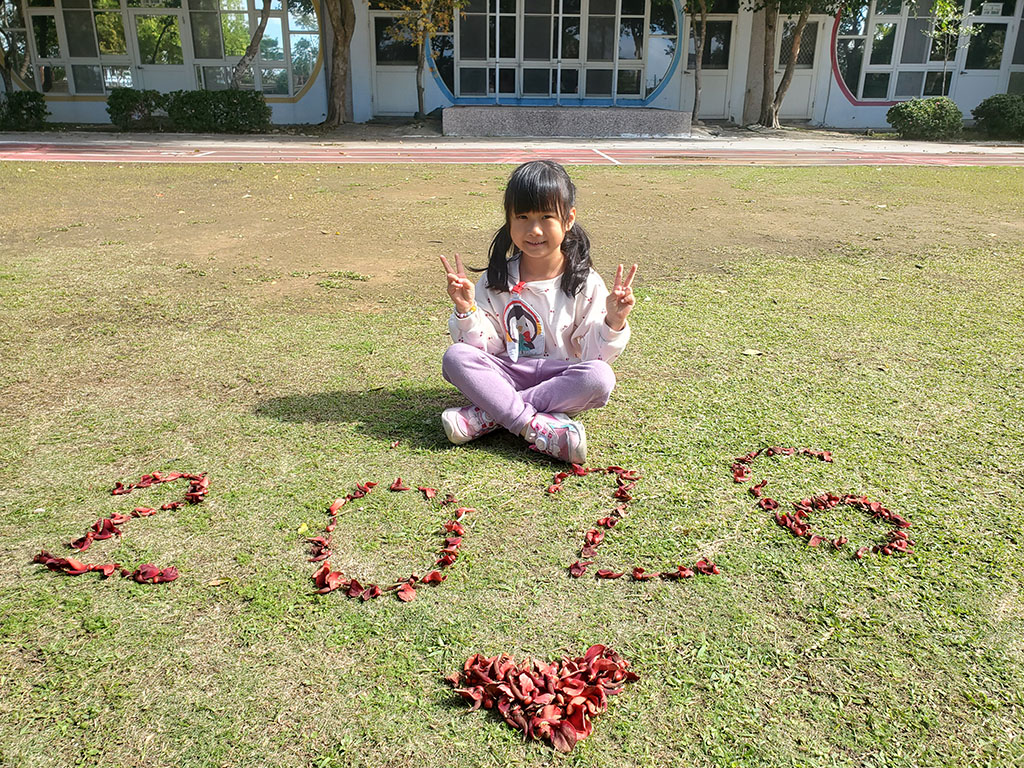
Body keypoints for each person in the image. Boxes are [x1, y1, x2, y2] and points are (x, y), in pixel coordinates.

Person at [439, 159, 637, 464]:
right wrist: (466, 310)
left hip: (561, 379)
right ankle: (532, 427)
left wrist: (614, 321)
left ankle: (490, 415)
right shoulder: (495, 280)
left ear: (568, 219)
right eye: (522, 217)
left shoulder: (585, 282)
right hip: (507, 374)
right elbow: (484, 349)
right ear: (508, 219)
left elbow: (593, 357)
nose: (534, 229)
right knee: (456, 357)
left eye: (546, 217)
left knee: (600, 377)